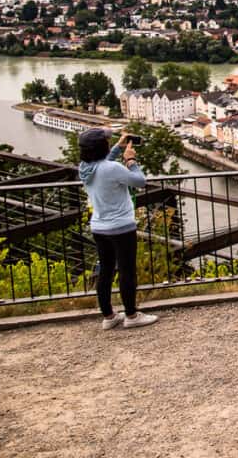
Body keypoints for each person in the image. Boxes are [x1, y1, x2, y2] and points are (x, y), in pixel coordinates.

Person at [78, 128, 157, 330]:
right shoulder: (112, 169)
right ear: (101, 147)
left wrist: (117, 147)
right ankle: (131, 315)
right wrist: (131, 161)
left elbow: (102, 164)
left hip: (99, 227)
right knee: (126, 271)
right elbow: (140, 181)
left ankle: (109, 316)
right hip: (121, 226)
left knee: (105, 272)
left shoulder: (85, 168)